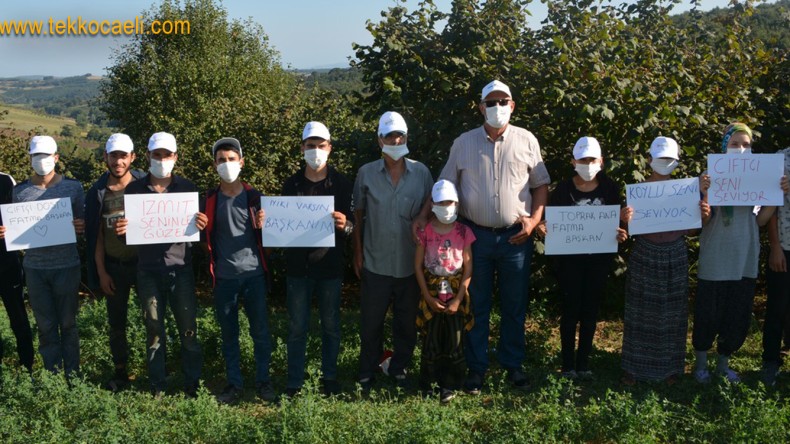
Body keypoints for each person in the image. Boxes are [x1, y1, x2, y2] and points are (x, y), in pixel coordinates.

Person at [436, 80, 550, 393]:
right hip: (476, 238)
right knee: (478, 305)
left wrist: (535, 219)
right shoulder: (463, 143)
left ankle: (513, 364)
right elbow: (445, 185)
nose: (497, 107)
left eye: (503, 101)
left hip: (517, 237)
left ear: (512, 106)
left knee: (514, 305)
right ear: (480, 106)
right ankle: (477, 368)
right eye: (491, 101)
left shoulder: (527, 140)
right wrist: (425, 218)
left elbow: (540, 184)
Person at [115, 132, 207, 397]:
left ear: (175, 157)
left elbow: (196, 229)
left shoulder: (188, 188)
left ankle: (192, 384)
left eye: (167, 155)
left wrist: (202, 225)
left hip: (181, 269)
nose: (162, 159)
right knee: (154, 328)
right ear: (148, 156)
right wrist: (123, 230)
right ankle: (157, 384)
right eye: (157, 155)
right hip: (148, 271)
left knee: (188, 328)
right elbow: (131, 230)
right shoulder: (134, 189)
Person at [695, 123, 787, 383]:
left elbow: (760, 221)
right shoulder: (707, 176)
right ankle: (701, 364)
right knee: (707, 313)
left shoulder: (759, 178)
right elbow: (697, 221)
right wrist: (702, 192)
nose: (741, 149)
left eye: (746, 145)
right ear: (725, 145)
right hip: (715, 257)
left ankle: (723, 363)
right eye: (735, 143)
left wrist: (775, 195)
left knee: (736, 313)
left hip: (744, 256)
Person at [620, 137, 710, 385]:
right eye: (660, 158)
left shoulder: (686, 191)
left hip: (675, 254)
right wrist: (624, 218)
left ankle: (670, 369)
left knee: (672, 312)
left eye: (669, 159)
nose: (664, 163)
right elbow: (628, 231)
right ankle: (633, 368)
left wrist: (702, 216)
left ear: (677, 162)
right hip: (644, 253)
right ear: (649, 160)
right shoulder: (638, 192)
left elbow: (691, 231)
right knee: (639, 311)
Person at [353, 111, 433, 390]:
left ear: (407, 137)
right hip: (375, 261)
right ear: (379, 140)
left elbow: (431, 206)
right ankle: (367, 369)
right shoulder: (366, 173)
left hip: (410, 264)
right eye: (389, 135)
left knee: (406, 322)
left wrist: (422, 216)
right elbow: (358, 215)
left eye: (399, 135)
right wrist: (358, 252)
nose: (395, 139)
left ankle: (399, 367)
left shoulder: (421, 172)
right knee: (371, 322)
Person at [0, 135, 85, 377]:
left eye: (46, 156)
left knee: (68, 324)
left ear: (56, 158)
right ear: (30, 159)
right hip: (35, 269)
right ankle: (53, 376)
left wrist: (81, 226)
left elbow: (84, 225)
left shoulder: (74, 188)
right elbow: (16, 228)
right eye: (36, 156)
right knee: (46, 327)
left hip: (67, 265)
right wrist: (8, 232)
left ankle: (73, 375)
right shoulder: (20, 192)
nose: (42, 161)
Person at [544, 137, 628, 380]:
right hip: (569, 262)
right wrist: (543, 228)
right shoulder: (562, 189)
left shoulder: (610, 188)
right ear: (573, 161)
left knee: (590, 311)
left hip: (598, 261)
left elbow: (618, 224)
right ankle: (568, 364)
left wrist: (622, 232)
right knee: (570, 310)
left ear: (601, 161)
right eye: (583, 159)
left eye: (592, 159)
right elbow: (552, 224)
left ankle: (584, 363)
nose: (588, 164)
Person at [201, 137, 275, 404]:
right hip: (224, 277)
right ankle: (234, 384)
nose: (227, 164)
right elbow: (201, 238)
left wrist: (267, 225)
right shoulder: (208, 200)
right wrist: (197, 225)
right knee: (229, 334)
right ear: (214, 165)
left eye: (232, 159)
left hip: (254, 275)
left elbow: (273, 239)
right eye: (221, 160)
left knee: (260, 332)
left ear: (241, 163)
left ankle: (263, 382)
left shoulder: (256, 198)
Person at [282, 122, 354, 397]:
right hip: (298, 268)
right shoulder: (291, 184)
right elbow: (282, 222)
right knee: (297, 327)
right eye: (310, 146)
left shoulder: (342, 183)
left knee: (331, 326)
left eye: (320, 145)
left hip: (330, 267)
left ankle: (330, 379)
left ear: (330, 148)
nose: (315, 151)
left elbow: (354, 226)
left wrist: (346, 224)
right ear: (302, 148)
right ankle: (294, 382)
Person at [85, 133, 146, 392]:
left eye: (123, 156)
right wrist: (101, 272)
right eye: (113, 156)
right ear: (105, 158)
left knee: (153, 319)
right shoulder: (97, 193)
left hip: (144, 267)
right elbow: (95, 236)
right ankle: (120, 372)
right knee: (116, 323)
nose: (118, 161)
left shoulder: (145, 186)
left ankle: (156, 371)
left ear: (132, 157)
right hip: (114, 268)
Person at [414, 179, 475, 403]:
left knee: (454, 337)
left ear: (457, 204)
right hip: (431, 288)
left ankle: (449, 384)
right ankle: (428, 383)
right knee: (431, 338)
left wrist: (459, 298)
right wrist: (427, 297)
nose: (446, 207)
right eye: (441, 203)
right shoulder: (426, 231)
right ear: (433, 205)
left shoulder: (464, 231)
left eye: (450, 202)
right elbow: (417, 266)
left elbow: (468, 266)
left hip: (456, 290)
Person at [0, 171, 34, 375]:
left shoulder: (5, 180)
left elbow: (21, 217)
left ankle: (27, 365)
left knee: (18, 317)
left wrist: (9, 229)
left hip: (7, 264)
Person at [762, 144, 790, 386]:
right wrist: (775, 247)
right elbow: (770, 210)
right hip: (785, 247)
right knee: (777, 308)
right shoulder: (779, 159)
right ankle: (770, 361)